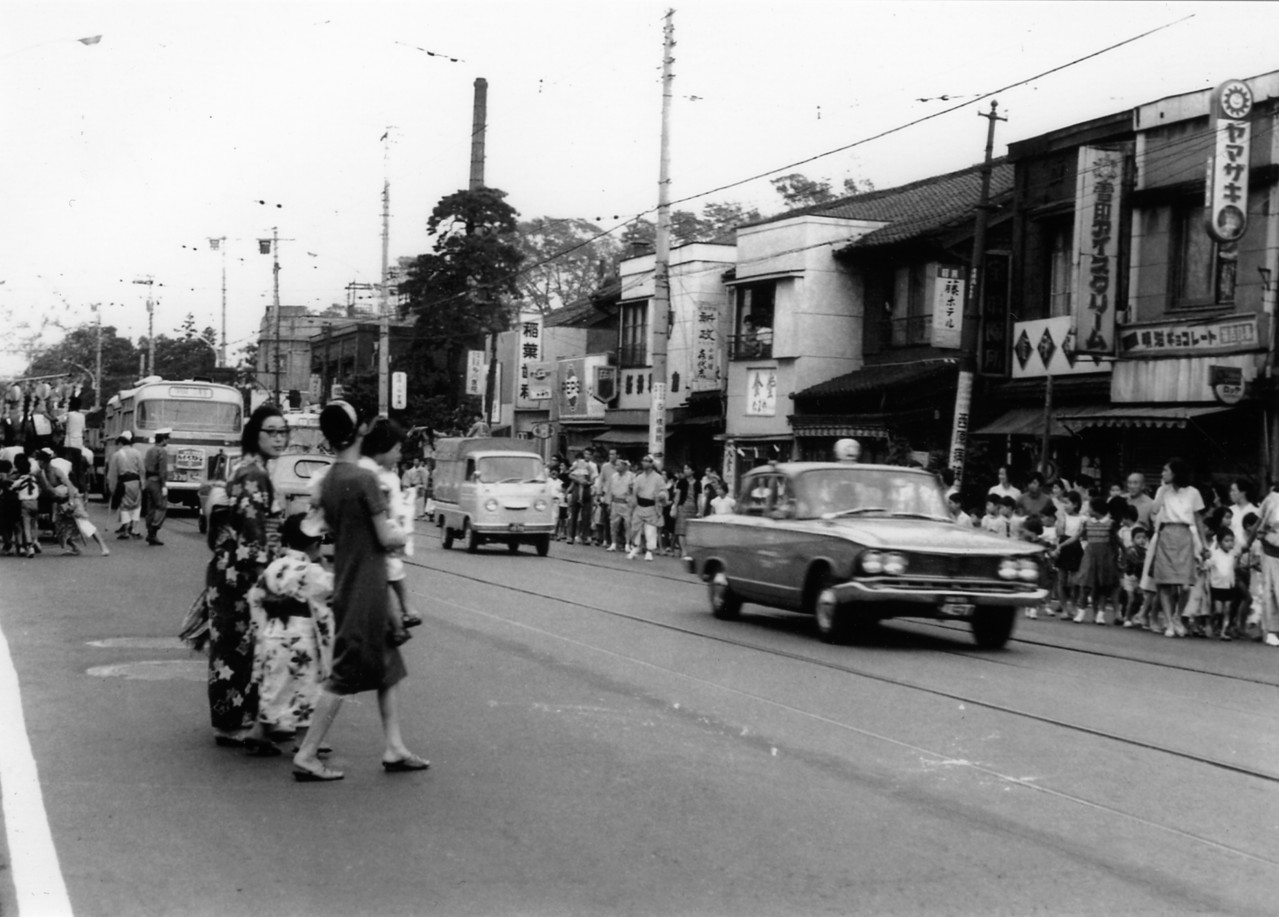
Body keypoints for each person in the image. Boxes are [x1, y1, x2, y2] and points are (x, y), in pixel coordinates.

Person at [292, 401, 425, 782]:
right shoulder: (365, 480)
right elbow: (386, 537)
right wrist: (404, 531)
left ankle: (395, 746)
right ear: (362, 430)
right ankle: (306, 754)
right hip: (367, 584)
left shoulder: (331, 477)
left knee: (387, 667)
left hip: (352, 577)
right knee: (344, 673)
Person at [206, 406, 288, 751]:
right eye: (271, 431)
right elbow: (253, 535)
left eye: (283, 432)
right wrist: (267, 580)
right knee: (237, 649)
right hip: (242, 573)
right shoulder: (254, 474)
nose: (279, 438)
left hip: (233, 569)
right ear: (256, 433)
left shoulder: (251, 469)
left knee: (241, 647)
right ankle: (230, 724)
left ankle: (245, 718)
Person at [246, 513, 335, 742]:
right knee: (307, 686)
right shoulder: (312, 571)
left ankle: (260, 729)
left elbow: (255, 596)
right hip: (302, 636)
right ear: (316, 543)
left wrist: (263, 622)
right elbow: (333, 591)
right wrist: (324, 566)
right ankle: (307, 741)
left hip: (273, 633)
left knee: (274, 684)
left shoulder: (275, 566)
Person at [359, 418, 420, 638]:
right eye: (396, 449)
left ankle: (399, 620)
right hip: (378, 537)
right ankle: (399, 619)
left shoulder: (390, 476)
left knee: (389, 575)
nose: (399, 455)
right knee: (386, 576)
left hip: (388, 535)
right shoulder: (371, 475)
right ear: (381, 448)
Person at [1147, 458, 1209, 639]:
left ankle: (1177, 617)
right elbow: (1155, 510)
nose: (1162, 473)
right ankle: (1168, 621)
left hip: (1185, 535)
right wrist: (1162, 490)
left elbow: (1198, 519)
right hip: (1167, 534)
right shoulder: (1162, 491)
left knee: (1185, 585)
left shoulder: (1193, 493)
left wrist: (1204, 544)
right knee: (1165, 582)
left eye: (1166, 471)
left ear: (1175, 473)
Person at [35, 447, 109, 557]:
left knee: (84, 524)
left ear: (44, 461)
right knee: (61, 530)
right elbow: (46, 489)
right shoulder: (40, 474)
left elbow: (69, 485)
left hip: (71, 499)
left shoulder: (56, 471)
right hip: (59, 501)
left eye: (40, 460)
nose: (38, 462)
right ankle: (75, 548)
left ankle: (103, 546)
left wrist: (71, 501)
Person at [1245, 485, 1279, 647]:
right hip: (1271, 549)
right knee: (1270, 590)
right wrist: (1248, 544)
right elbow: (1259, 522)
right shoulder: (1271, 499)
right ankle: (1271, 631)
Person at [105, 431, 144, 539]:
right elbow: (142, 469)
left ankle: (126, 531)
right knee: (137, 505)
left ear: (121, 443)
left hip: (124, 483)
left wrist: (111, 488)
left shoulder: (116, 455)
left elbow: (112, 473)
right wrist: (143, 484)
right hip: (136, 482)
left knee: (124, 506)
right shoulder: (137, 453)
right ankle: (135, 529)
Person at [627, 455, 666, 562]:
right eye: (643, 461)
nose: (644, 463)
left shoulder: (658, 478)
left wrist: (662, 495)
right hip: (639, 506)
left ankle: (649, 551)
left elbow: (663, 490)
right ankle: (635, 548)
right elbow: (634, 492)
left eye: (647, 461)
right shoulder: (639, 477)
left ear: (652, 463)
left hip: (651, 506)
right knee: (636, 529)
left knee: (650, 531)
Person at [142, 427, 171, 545]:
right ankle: (153, 533)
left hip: (148, 480)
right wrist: (164, 485)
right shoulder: (162, 451)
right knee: (161, 506)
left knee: (151, 508)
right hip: (157, 481)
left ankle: (149, 530)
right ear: (163, 439)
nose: (168, 441)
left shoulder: (149, 450)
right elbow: (162, 470)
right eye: (167, 438)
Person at [604, 457, 634, 551]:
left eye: (618, 465)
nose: (616, 467)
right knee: (613, 524)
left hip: (626, 503)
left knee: (627, 524)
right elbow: (609, 490)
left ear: (624, 466)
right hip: (615, 502)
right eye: (616, 465)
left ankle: (627, 544)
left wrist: (632, 503)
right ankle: (613, 543)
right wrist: (608, 503)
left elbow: (633, 490)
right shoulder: (613, 476)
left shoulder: (631, 476)